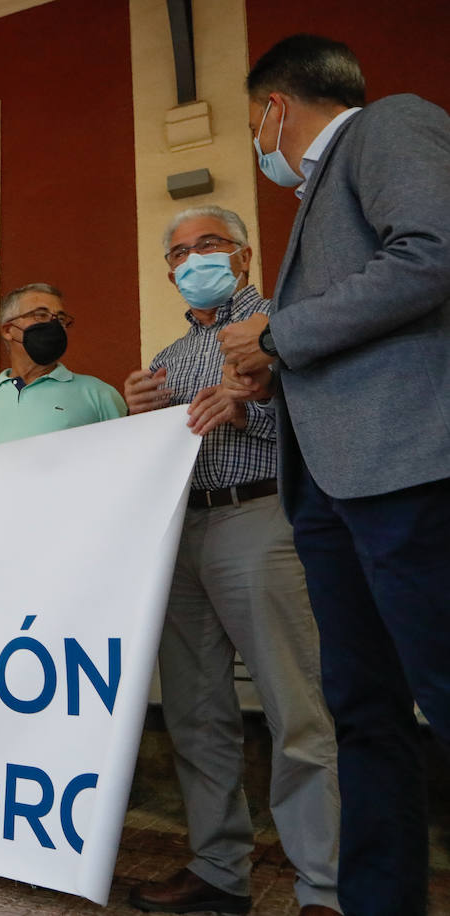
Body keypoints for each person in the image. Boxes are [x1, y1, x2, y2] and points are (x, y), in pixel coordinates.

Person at [211, 35, 450, 916]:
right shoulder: (316, 196)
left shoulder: (392, 126)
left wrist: (275, 332)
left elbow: (431, 251)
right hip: (333, 488)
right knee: (363, 711)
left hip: (407, 466)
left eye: (250, 126)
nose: (256, 144)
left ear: (276, 107)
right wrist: (271, 379)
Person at [123, 207, 339, 916]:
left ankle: (321, 888)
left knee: (294, 706)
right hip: (185, 530)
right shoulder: (169, 357)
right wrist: (139, 414)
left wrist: (253, 414)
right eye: (180, 252)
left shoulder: (285, 320)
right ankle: (219, 870)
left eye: (208, 244)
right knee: (196, 710)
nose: (194, 259)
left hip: (260, 518)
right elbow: (160, 449)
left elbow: (336, 412)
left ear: (242, 257)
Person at [0, 284, 125, 457]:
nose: (53, 324)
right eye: (41, 315)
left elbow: (127, 459)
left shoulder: (100, 394)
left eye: (61, 318)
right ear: (8, 330)